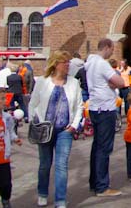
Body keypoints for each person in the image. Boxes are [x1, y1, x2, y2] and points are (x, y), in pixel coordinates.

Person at [28, 50, 83, 208]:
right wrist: (34, 121)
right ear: (55, 64)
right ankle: (42, 193)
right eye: (64, 62)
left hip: (64, 130)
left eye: (68, 62)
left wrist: (74, 125)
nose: (67, 65)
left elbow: (79, 105)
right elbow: (33, 104)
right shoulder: (43, 81)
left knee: (61, 164)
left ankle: (60, 199)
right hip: (45, 129)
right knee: (45, 164)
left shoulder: (73, 82)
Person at [86, 38, 127, 197]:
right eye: (112, 49)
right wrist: (114, 83)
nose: (112, 53)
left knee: (96, 146)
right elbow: (121, 82)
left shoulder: (90, 62)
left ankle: (94, 182)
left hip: (95, 107)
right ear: (108, 47)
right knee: (104, 148)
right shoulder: (102, 64)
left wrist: (112, 83)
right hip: (105, 108)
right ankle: (102, 186)